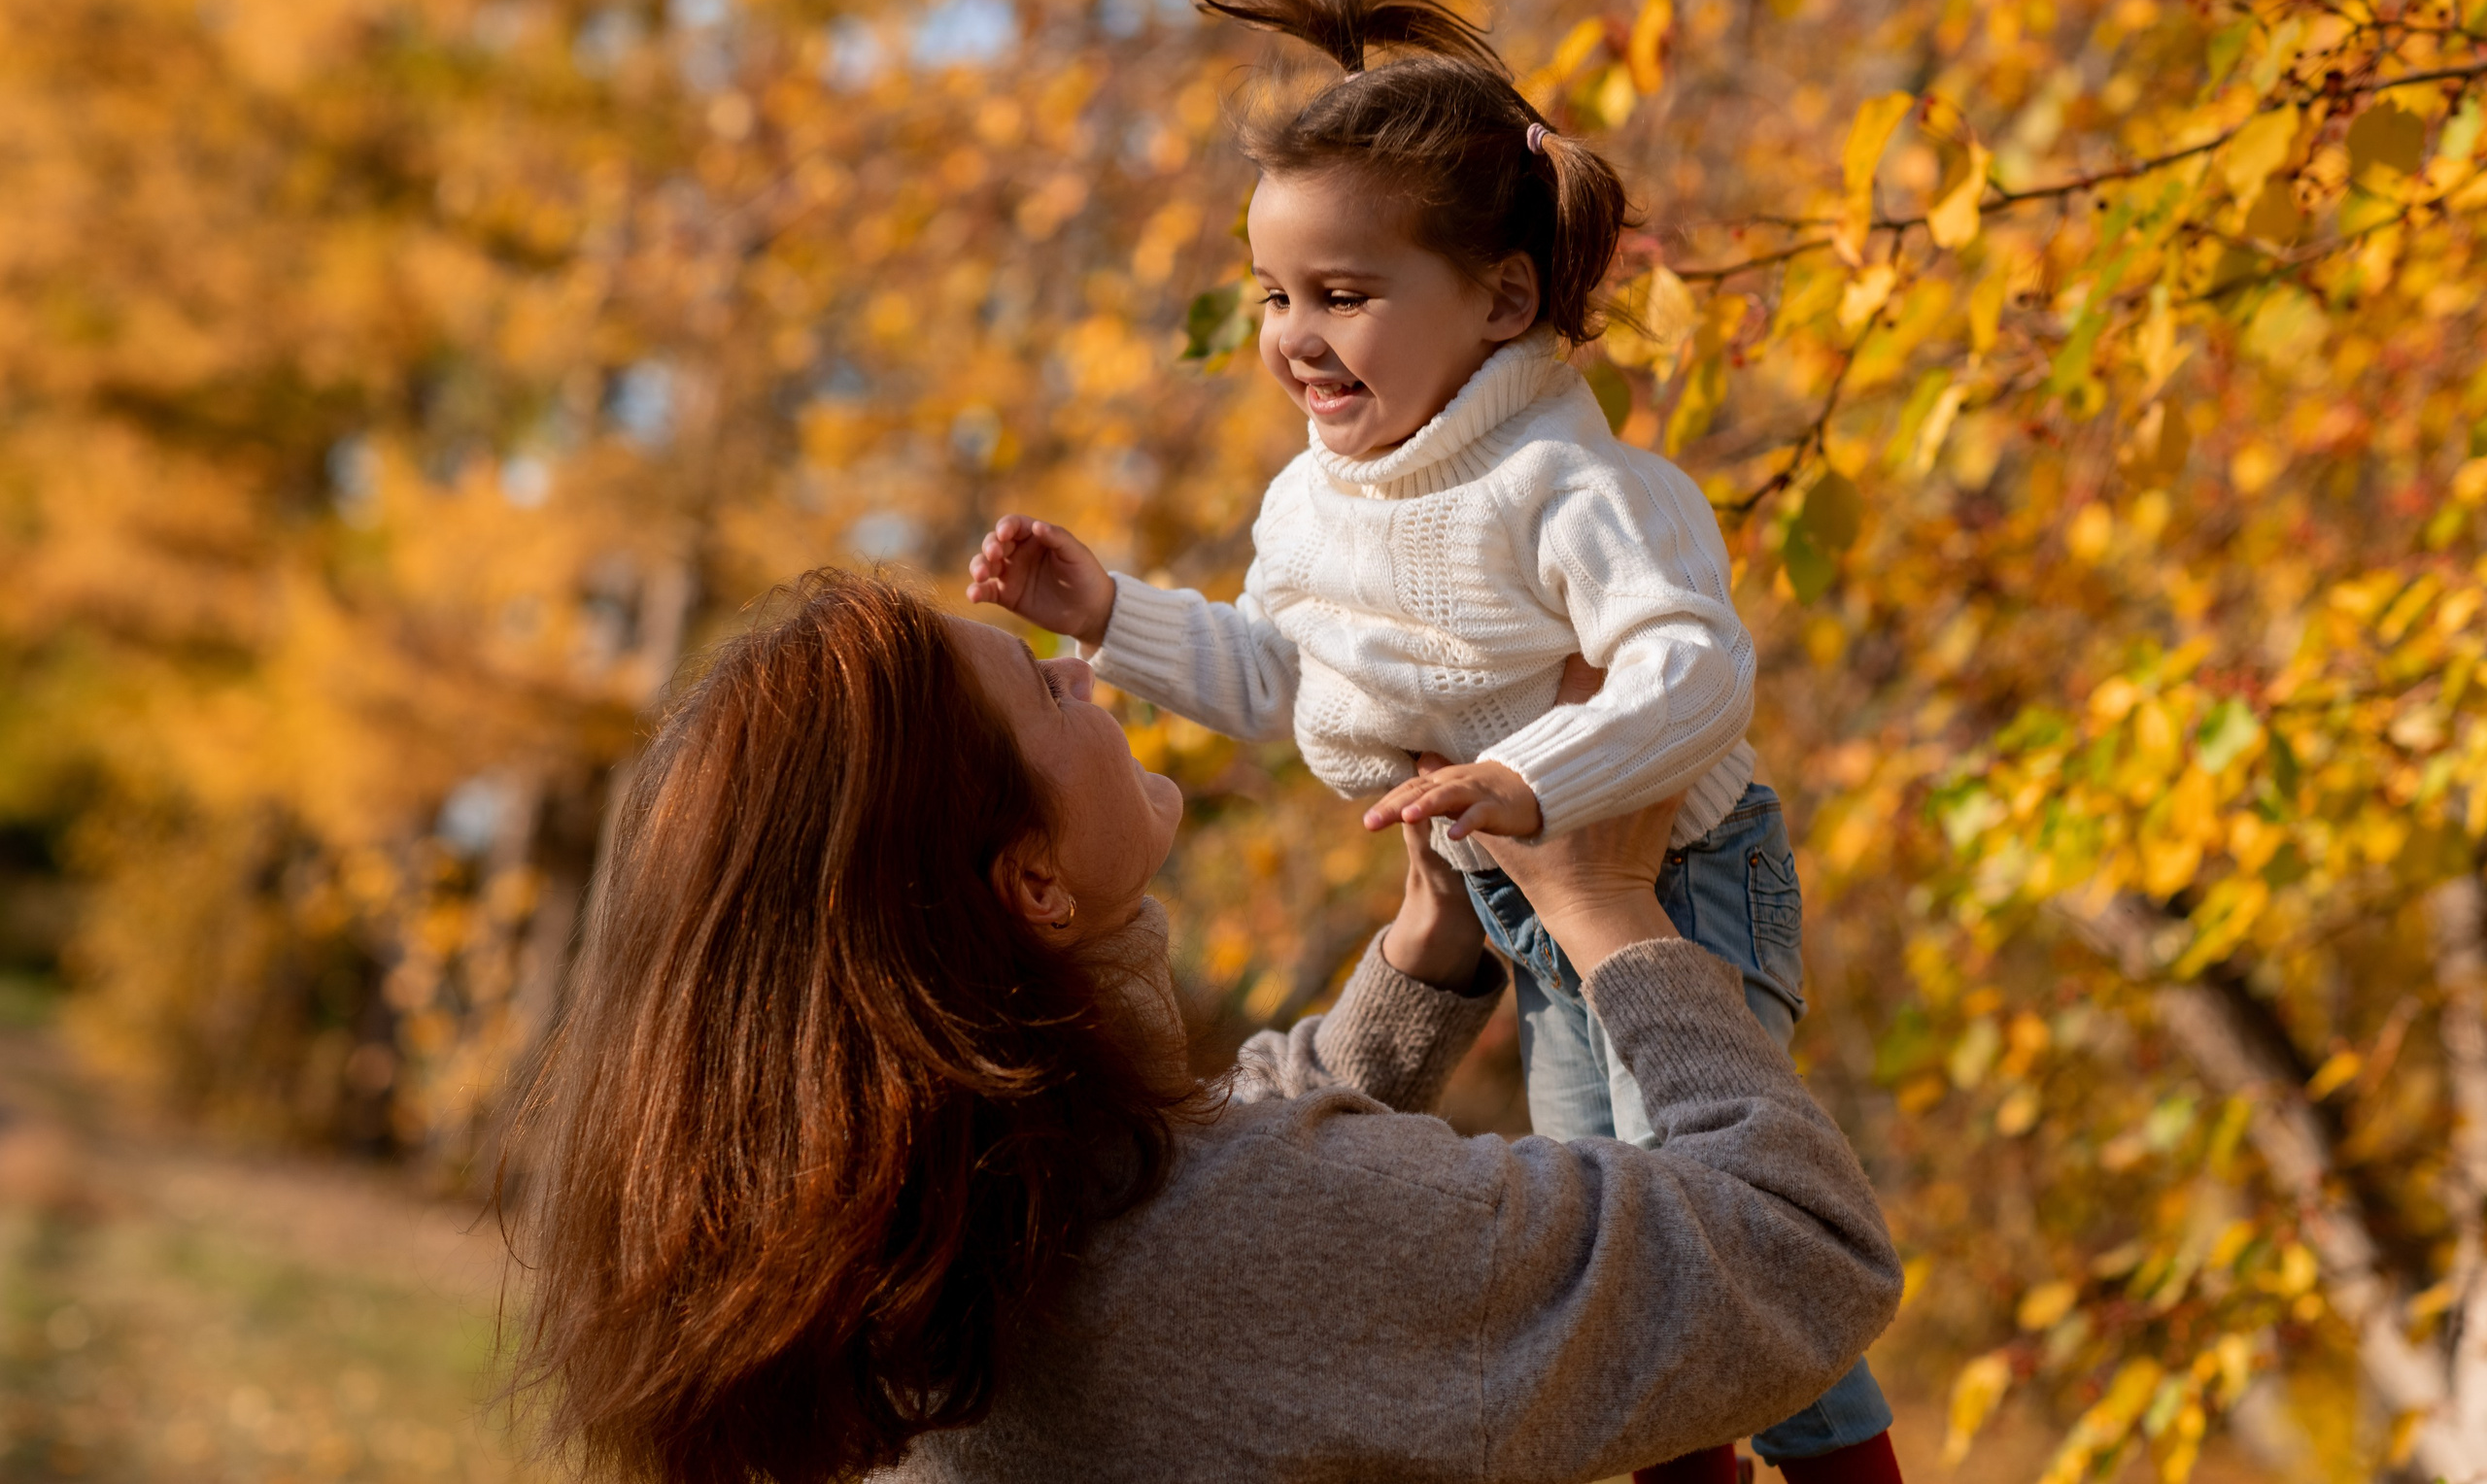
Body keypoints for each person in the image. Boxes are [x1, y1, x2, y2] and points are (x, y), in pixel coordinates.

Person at [965, 0, 1900, 1480]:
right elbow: (1284, 676)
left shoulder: (1571, 486)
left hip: (1671, 886)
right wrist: (1112, 618)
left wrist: (1533, 786)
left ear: (1505, 300)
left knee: (1708, 1221)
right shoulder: (1319, 503)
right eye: (1275, 295)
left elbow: (1692, 667)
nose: (1292, 335)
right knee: (1620, 1250)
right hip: (1528, 902)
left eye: (1343, 294)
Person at [499, 569, 1901, 1483]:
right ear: (1031, 883)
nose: (1085, 680)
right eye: (1043, 697)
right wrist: (1609, 912)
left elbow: (1199, 1171)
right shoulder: (1229, 1248)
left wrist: (1428, 954)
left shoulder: (920, 1254)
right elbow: (1801, 1254)